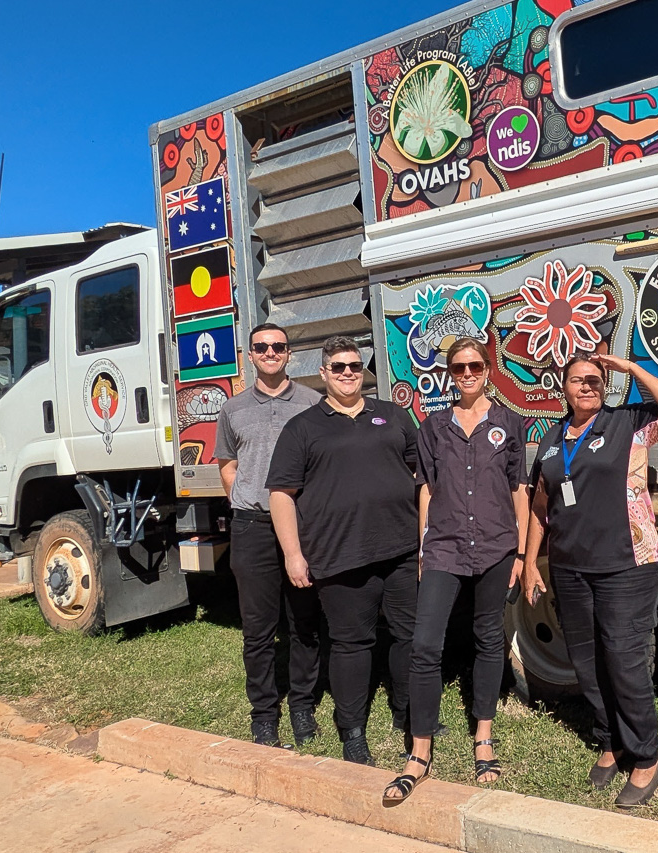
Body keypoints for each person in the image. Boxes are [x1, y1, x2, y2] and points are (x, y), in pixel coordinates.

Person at [521, 352, 658, 808]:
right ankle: (610, 741)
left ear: (606, 384)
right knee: (587, 661)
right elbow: (541, 504)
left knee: (623, 659)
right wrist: (531, 560)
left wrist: (632, 370)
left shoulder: (629, 423)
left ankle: (647, 758)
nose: (587, 387)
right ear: (564, 388)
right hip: (572, 568)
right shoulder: (552, 439)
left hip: (626, 564)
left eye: (595, 380)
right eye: (578, 381)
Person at [384, 338, 529, 803]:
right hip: (444, 546)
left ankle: (482, 739)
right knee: (425, 644)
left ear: (488, 369)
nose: (467, 373)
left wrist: (522, 554)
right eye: (459, 367)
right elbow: (426, 489)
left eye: (475, 366)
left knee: (489, 639)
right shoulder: (434, 428)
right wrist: (425, 550)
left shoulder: (509, 424)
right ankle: (419, 752)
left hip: (495, 547)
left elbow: (518, 490)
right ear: (449, 373)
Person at [267, 336, 421, 766]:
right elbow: (281, 493)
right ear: (323, 373)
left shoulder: (390, 415)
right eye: (338, 367)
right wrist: (293, 554)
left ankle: (406, 712)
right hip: (340, 555)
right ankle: (352, 730)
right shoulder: (303, 427)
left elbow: (420, 470)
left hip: (402, 549)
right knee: (353, 644)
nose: (348, 373)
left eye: (354, 365)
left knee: (408, 637)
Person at [211, 322, 323, 748]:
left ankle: (302, 706)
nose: (271, 352)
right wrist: (247, 499)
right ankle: (264, 713)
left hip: (302, 527)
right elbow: (228, 466)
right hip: (253, 527)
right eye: (262, 347)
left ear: (289, 354)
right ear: (251, 354)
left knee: (304, 622)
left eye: (278, 346)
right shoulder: (233, 409)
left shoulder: (313, 403)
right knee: (258, 629)